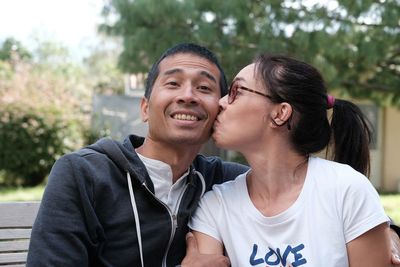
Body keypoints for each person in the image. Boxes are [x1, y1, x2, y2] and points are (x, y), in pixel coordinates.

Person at [27, 44, 400, 267]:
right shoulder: (83, 174)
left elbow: (319, 197)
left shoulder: (218, 180)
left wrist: (389, 235)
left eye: (210, 88)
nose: (191, 96)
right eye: (172, 83)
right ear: (144, 107)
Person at [189, 54, 395, 266]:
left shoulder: (347, 190)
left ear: (280, 113)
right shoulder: (215, 206)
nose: (220, 103)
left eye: (236, 92)